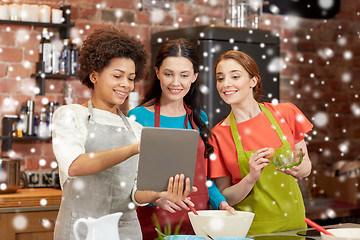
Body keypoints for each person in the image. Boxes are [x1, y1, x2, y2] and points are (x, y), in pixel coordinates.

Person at [52, 28, 193, 240]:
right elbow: (75, 166)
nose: (125, 85)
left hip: (125, 231)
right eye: (117, 76)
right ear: (94, 76)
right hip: (81, 228)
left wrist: (159, 193)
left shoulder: (135, 129)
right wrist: (134, 148)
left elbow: (135, 193)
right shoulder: (70, 115)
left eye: (131, 78)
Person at [128, 38, 235, 239]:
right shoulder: (137, 117)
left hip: (197, 220)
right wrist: (155, 199)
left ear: (194, 76)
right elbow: (127, 180)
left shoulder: (198, 118)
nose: (176, 83)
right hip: (156, 221)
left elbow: (203, 179)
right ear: (158, 72)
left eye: (184, 75)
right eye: (168, 74)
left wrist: (221, 202)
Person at [208, 50, 313, 235]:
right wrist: (251, 178)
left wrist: (295, 168)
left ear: (253, 81)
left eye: (235, 76)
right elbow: (224, 197)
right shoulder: (218, 135)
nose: (226, 84)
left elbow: (307, 167)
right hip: (251, 231)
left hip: (294, 226)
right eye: (220, 78)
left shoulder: (286, 113)